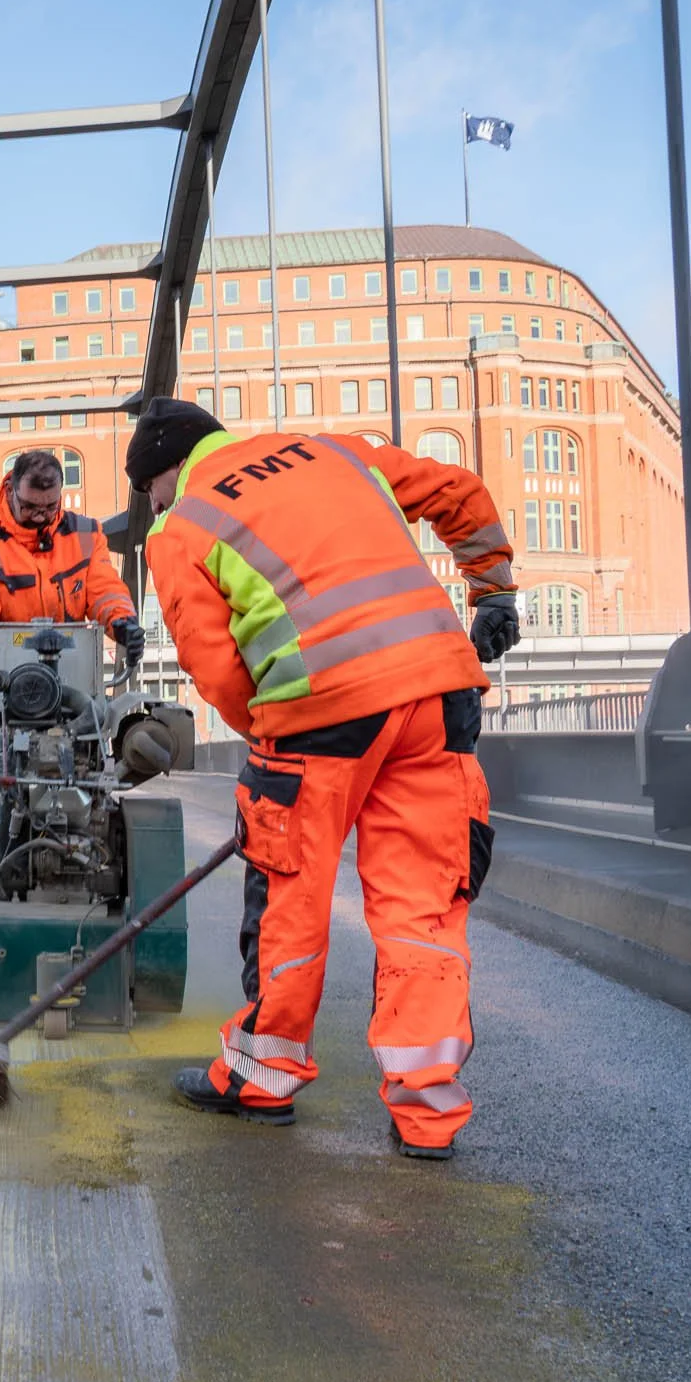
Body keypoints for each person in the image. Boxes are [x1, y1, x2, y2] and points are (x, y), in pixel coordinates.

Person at [124, 397, 518, 1160]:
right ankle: (426, 1110)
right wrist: (492, 590)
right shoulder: (334, 450)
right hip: (440, 694)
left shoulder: (183, 527)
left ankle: (262, 1074)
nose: (154, 507)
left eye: (150, 495)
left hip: (319, 715)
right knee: (422, 908)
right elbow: (458, 490)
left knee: (290, 894)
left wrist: (269, 742)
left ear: (160, 478)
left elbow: (218, 673)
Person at [0, 446, 142, 739]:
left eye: (50, 508)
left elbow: (104, 589)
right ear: (10, 489)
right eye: (30, 507)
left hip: (71, 686)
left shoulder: (85, 534)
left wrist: (123, 622)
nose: (40, 517)